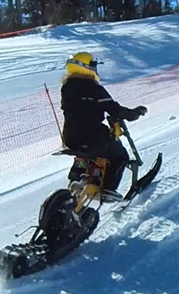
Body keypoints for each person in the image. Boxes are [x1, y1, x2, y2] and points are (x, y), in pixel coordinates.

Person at [60, 51, 147, 198]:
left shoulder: (67, 88)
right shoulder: (94, 89)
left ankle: (78, 176)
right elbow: (114, 109)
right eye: (93, 65)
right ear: (86, 67)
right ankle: (108, 189)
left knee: (86, 152)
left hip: (70, 137)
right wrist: (135, 113)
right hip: (93, 136)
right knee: (120, 156)